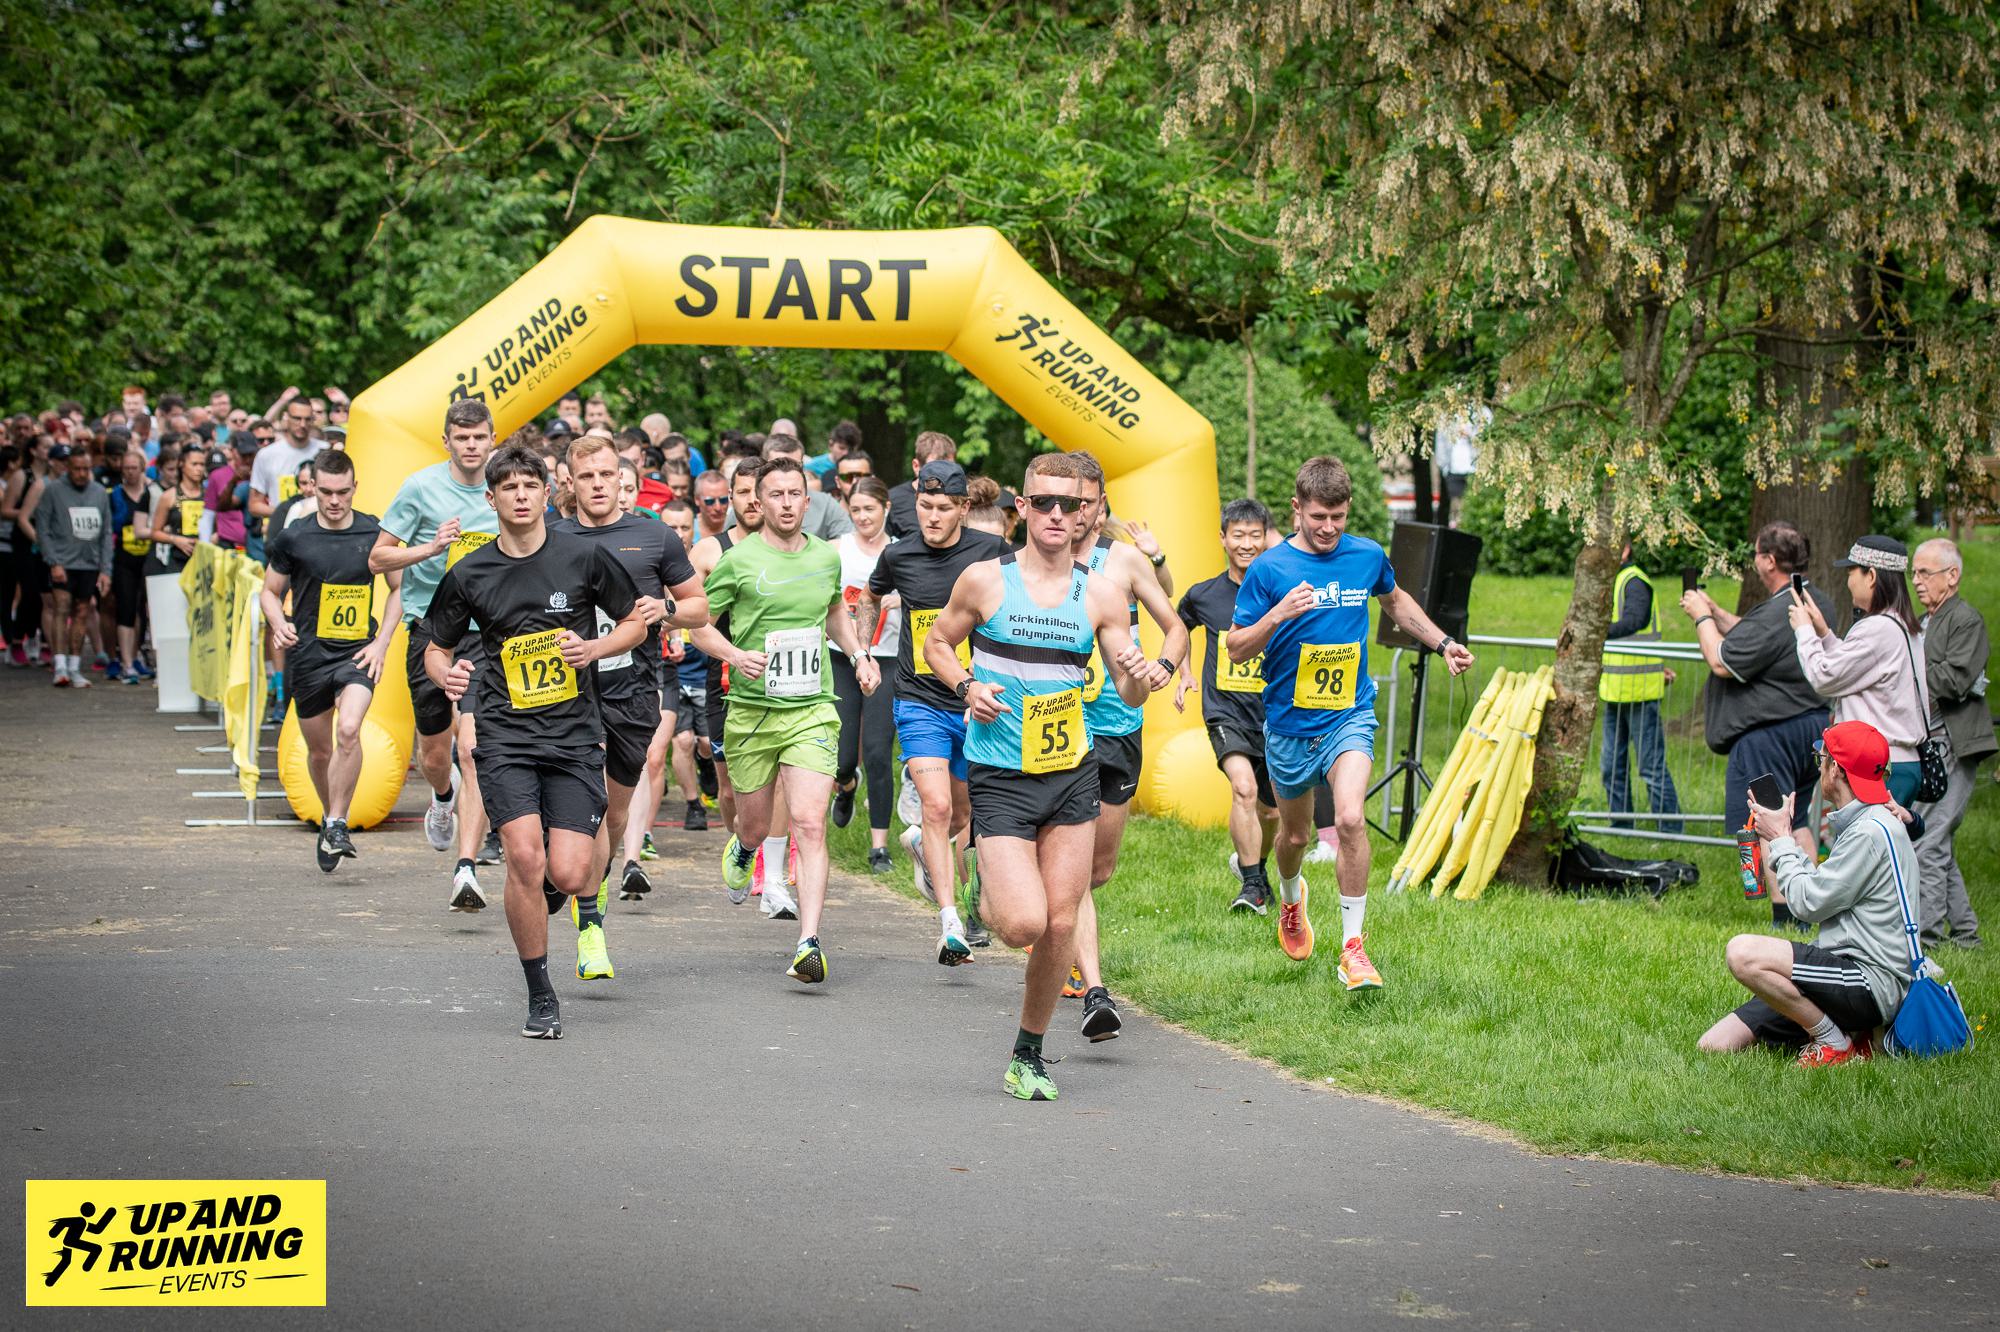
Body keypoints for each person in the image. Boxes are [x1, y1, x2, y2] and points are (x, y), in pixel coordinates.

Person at [922, 453, 1161, 1100]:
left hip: (1071, 773)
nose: (1059, 514)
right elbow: (937, 644)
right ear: (1022, 508)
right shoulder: (984, 581)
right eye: (1045, 502)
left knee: (1060, 922)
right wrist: (967, 685)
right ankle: (985, 890)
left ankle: (1028, 1052)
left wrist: (1141, 676)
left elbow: (1128, 696)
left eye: (1072, 504)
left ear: (1088, 513)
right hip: (1000, 773)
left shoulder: (1103, 594)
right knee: (1023, 925)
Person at [1231, 456, 1475, 988]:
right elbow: (1236, 647)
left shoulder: (1366, 555)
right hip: (1290, 727)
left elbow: (1396, 602)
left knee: (1348, 820)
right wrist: (1277, 616)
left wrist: (1443, 643)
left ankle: (1353, 947)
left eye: (1338, 517)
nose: (1328, 528)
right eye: (1318, 516)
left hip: (1349, 714)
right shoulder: (1270, 570)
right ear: (1297, 508)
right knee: (1294, 837)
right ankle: (1292, 901)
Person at [426, 445, 644, 1039]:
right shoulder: (470, 572)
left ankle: (547, 888)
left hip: (575, 735)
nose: (521, 496)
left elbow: (635, 621)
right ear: (490, 499)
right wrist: (445, 673)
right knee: (523, 854)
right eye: (509, 487)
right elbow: (436, 644)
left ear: (548, 493)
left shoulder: (584, 557)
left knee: (571, 875)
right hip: (504, 733)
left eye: (531, 485)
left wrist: (595, 649)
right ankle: (540, 994)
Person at [694, 458, 878, 985]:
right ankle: (745, 847)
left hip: (811, 708)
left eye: (796, 493)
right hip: (753, 710)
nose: (787, 503)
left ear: (808, 499)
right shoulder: (738, 560)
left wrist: (860, 654)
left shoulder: (825, 557)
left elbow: (833, 613)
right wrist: (733, 656)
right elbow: (698, 624)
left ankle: (809, 942)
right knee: (754, 820)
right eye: (775, 494)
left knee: (809, 823)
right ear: (758, 502)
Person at [552, 434, 706, 979]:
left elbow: (698, 608)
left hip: (632, 693)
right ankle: (590, 923)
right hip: (565, 696)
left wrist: (664, 607)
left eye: (605, 475)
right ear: (570, 481)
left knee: (615, 813)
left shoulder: (654, 534)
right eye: (585, 476)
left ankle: (579, 879)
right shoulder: (552, 536)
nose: (597, 485)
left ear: (622, 478)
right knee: (587, 802)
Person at [1697, 721, 1919, 1066]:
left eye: (1822, 758)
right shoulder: (1864, 821)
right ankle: (1849, 1033)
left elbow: (1806, 904)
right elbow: (1820, 889)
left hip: (1869, 981)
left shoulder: (1870, 832)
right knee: (1715, 1044)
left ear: (1836, 770)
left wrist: (1782, 839)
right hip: (1840, 967)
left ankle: (1833, 1041)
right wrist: (1780, 837)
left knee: (1742, 953)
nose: (1818, 766)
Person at [861, 461, 1010, 956]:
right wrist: (865, 651)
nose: (932, 516)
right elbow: (871, 595)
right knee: (938, 804)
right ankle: (950, 923)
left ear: (964, 508)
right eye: (924, 506)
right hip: (919, 699)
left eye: (944, 508)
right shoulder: (898, 554)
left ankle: (948, 877)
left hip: (977, 702)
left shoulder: (991, 553)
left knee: (966, 812)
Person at [1064, 454, 1188, 1037]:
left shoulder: (1124, 561)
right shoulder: (1040, 560)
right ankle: (1094, 988)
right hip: (1058, 727)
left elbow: (1177, 622)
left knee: (1099, 869)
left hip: (1118, 722)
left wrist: (1163, 666)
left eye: (1086, 502)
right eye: (1066, 502)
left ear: (1101, 505)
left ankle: (1061, 924)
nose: (1076, 513)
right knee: (1070, 863)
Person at [372, 398, 503, 911]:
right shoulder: (421, 487)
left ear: (492, 439)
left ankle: (467, 866)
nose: (471, 446)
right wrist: (430, 547)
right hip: (431, 627)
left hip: (488, 632)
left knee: (473, 749)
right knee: (434, 752)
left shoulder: (505, 489)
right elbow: (378, 555)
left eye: (480, 438)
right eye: (462, 438)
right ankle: (443, 798)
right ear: (446, 441)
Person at [1680, 521, 1836, 925]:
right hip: (1811, 731)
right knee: (1797, 819)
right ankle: (1809, 908)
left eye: (1756, 555)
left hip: (1769, 738)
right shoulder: (1809, 599)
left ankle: (1786, 916)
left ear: (1768, 561)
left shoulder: (1775, 612)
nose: (1754, 561)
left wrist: (1700, 619)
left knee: (1768, 824)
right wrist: (1716, 612)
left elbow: (1721, 660)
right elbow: (1754, 638)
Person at [259, 450, 403, 873]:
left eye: (343, 492)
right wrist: (277, 621)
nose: (334, 500)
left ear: (354, 489)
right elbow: (269, 591)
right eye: (326, 492)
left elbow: (398, 590)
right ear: (312, 488)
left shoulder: (374, 531)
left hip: (357, 652)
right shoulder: (295, 537)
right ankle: (329, 818)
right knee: (320, 752)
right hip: (308, 655)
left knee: (349, 728)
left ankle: (337, 822)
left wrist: (381, 642)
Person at [1176, 498, 1279, 912]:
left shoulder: (1280, 592)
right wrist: (1182, 672)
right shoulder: (1204, 595)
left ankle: (1255, 865)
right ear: (1223, 539)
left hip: (1273, 714)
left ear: (1266, 539)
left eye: (1255, 535)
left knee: (1272, 814)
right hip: (1225, 712)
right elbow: (1177, 627)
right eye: (1239, 535)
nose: (1247, 544)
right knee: (1243, 787)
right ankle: (1252, 885)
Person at [1792, 536, 1930, 806]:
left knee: (1866, 846)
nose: (1848, 581)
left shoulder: (1876, 628)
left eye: (1851, 571)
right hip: (1900, 762)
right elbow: (1860, 670)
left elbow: (1823, 676)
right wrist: (1825, 634)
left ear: (1872, 576)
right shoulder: (1901, 625)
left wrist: (1804, 631)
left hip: (1878, 767)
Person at [1910, 538, 1989, 949]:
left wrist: (1909, 669)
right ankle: (1968, 937)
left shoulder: (1966, 620)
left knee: (1932, 839)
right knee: (1936, 838)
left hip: (1956, 745)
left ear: (1952, 576)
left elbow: (1956, 680)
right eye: (1915, 573)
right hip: (1930, 746)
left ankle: (1927, 939)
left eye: (1926, 573)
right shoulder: (1925, 621)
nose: (1917, 581)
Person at [830, 475, 898, 870]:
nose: (862, 517)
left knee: (876, 750)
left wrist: (897, 598)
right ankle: (846, 784)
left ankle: (879, 846)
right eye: (855, 510)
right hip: (842, 655)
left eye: (869, 509)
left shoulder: (900, 553)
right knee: (841, 754)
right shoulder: (837, 549)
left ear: (885, 508)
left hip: (887, 656)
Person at [1599, 541, 1682, 834]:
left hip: (1640, 691)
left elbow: (1636, 620)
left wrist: (1595, 630)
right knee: (1611, 766)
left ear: (1624, 549)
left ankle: (1671, 828)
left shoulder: (1634, 581)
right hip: (1615, 690)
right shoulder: (1614, 580)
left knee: (1650, 766)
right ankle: (1621, 825)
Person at [25, 444, 113, 688]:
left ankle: (75, 666)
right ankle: (60, 664)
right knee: (61, 607)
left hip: (89, 562)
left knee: (83, 611)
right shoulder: (53, 490)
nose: (82, 473)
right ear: (68, 468)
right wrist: (53, 561)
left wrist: (106, 568)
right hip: (63, 561)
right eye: (77, 469)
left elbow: (106, 531)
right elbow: (42, 528)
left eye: (86, 469)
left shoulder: (98, 492)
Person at [660, 498, 713, 834]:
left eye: (684, 526)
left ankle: (707, 767)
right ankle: (693, 804)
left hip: (705, 668)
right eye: (671, 527)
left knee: (705, 744)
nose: (678, 534)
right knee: (682, 741)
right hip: (673, 672)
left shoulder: (705, 562)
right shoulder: (653, 562)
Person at [107, 447, 161, 684]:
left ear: (142, 469)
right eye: (126, 468)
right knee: (125, 608)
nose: (130, 472)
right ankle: (126, 662)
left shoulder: (153, 491)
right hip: (124, 558)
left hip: (149, 557)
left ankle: (138, 654)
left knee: (143, 611)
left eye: (134, 468)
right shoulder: (114, 494)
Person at [759, 433, 852, 541]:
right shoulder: (750, 504)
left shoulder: (825, 505)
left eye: (794, 466)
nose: (786, 473)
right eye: (778, 466)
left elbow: (849, 543)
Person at [149, 445, 207, 576]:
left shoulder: (209, 495)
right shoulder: (169, 496)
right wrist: (176, 540)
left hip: (205, 562)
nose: (199, 469)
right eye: (194, 464)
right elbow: (155, 532)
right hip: (178, 562)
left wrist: (210, 539)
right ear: (182, 464)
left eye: (202, 464)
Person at [887, 430, 956, 539]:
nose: (943, 475)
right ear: (916, 466)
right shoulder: (892, 500)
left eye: (949, 468)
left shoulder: (960, 498)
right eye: (935, 469)